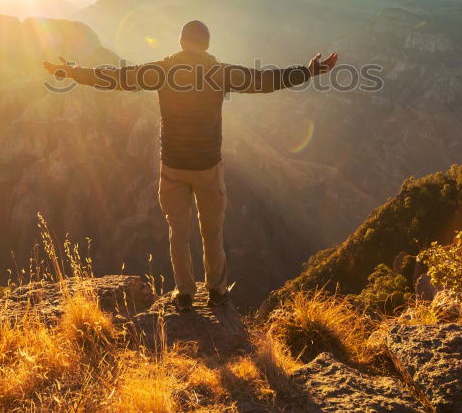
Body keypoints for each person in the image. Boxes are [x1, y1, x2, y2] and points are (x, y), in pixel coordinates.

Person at [43, 20, 338, 311]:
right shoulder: (221, 72)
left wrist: (71, 71)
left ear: (182, 42)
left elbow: (116, 77)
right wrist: (309, 71)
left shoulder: (161, 70)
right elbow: (265, 81)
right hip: (208, 167)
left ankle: (184, 293)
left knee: (178, 232)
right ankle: (217, 291)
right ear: (207, 44)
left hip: (173, 166)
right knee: (212, 232)